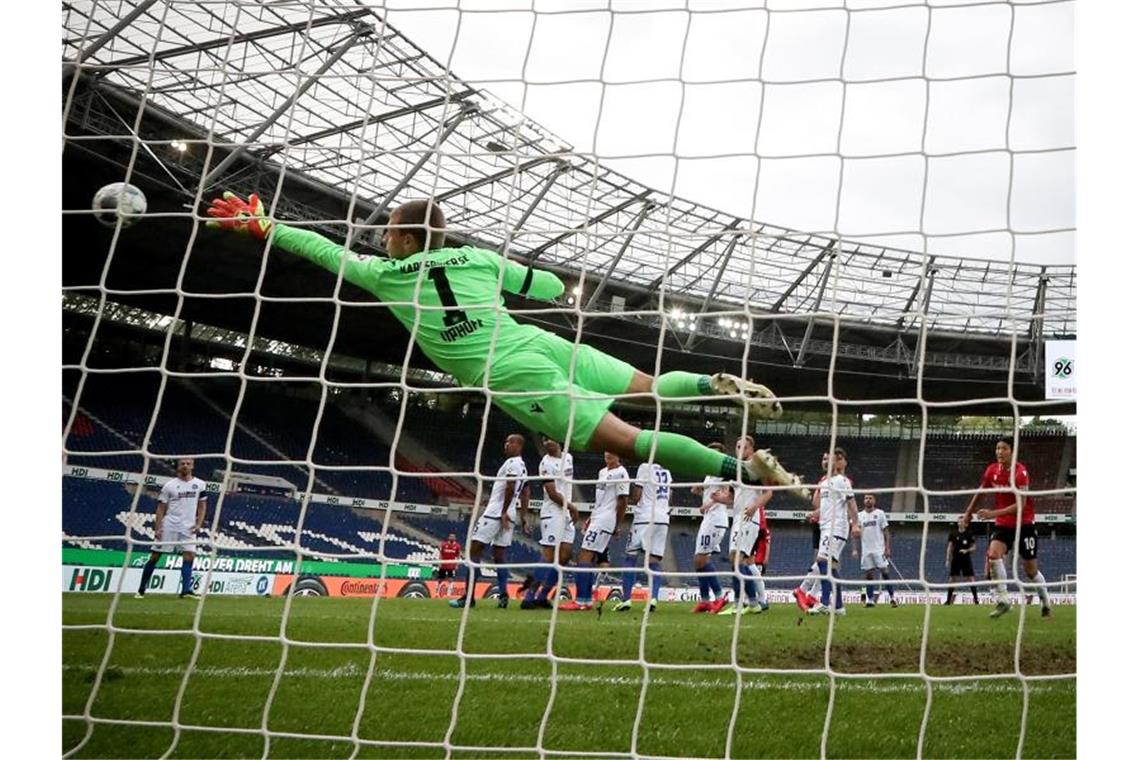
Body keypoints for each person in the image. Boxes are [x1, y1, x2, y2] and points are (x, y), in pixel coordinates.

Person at [205, 195, 808, 497]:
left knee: (625, 440)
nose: (382, 237)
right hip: (537, 339)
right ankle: (710, 385)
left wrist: (268, 226)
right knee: (649, 387)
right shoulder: (478, 257)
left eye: (390, 230)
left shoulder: (387, 275)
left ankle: (742, 470)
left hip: (512, 370)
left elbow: (325, 252)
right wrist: (517, 277)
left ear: (410, 237)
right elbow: (546, 286)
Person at [962, 436, 1052, 619]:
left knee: (1030, 571)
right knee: (993, 555)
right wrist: (968, 512)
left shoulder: (1021, 473)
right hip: (1003, 525)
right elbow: (981, 491)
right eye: (997, 448)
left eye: (1003, 448)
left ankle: (1046, 603)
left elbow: (1021, 504)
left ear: (1012, 451)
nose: (999, 452)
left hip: (1024, 524)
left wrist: (993, 513)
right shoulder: (992, 470)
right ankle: (1003, 601)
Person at [450, 434, 529, 609]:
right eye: (505, 441)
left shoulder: (513, 464)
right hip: (510, 514)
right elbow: (525, 491)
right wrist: (523, 516)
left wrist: (501, 511)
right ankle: (503, 595)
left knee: (473, 552)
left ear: (518, 445)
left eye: (509, 442)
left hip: (496, 514)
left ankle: (468, 597)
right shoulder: (523, 466)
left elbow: (510, 486)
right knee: (500, 556)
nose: (506, 444)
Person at [560, 452, 629, 611]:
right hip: (597, 518)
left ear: (619, 455)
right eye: (606, 451)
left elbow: (623, 501)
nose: (608, 454)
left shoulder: (621, 473)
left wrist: (616, 525)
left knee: (584, 556)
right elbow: (601, 500)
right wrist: (592, 517)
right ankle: (586, 600)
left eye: (613, 451)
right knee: (587, 558)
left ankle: (581, 600)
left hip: (606, 520)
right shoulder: (602, 472)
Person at [795, 448, 860, 616]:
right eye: (823, 459)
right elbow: (825, 507)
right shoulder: (824, 483)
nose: (825, 462)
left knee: (822, 560)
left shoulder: (841, 481)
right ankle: (838, 607)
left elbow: (851, 503)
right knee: (831, 566)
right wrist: (814, 514)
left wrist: (855, 524)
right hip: (825, 527)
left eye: (828, 459)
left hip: (837, 527)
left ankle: (824, 602)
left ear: (836, 462)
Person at [135, 458, 207, 599]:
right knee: (155, 556)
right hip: (170, 525)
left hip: (188, 527)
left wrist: (199, 523)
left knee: (189, 556)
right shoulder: (169, 486)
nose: (185, 466)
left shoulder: (200, 484)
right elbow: (161, 508)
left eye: (188, 464)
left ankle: (185, 591)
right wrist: (157, 528)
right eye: (182, 464)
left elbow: (202, 506)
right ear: (178, 467)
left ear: (192, 466)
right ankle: (141, 589)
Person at [522, 435, 577, 609]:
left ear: (559, 440)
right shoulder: (545, 463)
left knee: (565, 555)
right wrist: (572, 507)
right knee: (549, 555)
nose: (546, 443)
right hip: (553, 512)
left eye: (549, 439)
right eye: (544, 440)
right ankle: (529, 596)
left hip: (566, 514)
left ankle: (543, 596)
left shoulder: (569, 458)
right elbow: (552, 493)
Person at [717, 437, 771, 616]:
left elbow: (769, 493)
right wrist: (720, 499)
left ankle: (748, 602)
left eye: (744, 447)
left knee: (739, 560)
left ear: (751, 449)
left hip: (750, 518)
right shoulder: (736, 471)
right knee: (734, 560)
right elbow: (732, 498)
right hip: (738, 518)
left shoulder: (756, 469)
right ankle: (745, 602)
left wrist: (755, 506)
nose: (739, 449)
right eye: (737, 446)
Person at [614, 461, 672, 612]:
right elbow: (669, 495)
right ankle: (653, 598)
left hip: (645, 516)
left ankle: (626, 599)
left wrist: (629, 500)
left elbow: (637, 495)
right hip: (663, 518)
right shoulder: (667, 471)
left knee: (630, 557)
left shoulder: (644, 467)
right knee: (654, 561)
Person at [691, 443, 733, 613]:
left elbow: (726, 495)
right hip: (708, 519)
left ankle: (719, 596)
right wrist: (700, 491)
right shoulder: (709, 475)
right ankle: (705, 600)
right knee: (698, 560)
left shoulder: (723, 474)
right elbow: (709, 492)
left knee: (701, 559)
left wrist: (708, 503)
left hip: (716, 519)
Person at [856, 494, 896, 608]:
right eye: (866, 498)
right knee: (869, 575)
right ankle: (870, 600)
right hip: (866, 550)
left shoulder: (880, 513)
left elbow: (886, 532)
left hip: (879, 549)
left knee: (885, 572)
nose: (868, 500)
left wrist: (887, 548)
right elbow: (854, 533)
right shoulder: (860, 516)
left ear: (874, 500)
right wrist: (854, 549)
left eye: (870, 498)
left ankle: (892, 598)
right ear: (864, 501)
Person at [945, 516, 980, 605]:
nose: (959, 523)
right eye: (958, 521)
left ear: (965, 524)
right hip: (955, 559)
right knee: (952, 579)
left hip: (966, 559)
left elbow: (974, 547)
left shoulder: (969, 534)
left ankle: (976, 600)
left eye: (961, 521)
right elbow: (949, 547)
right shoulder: (953, 534)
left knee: (971, 578)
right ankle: (948, 601)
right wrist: (947, 559)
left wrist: (966, 550)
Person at [437, 532, 462, 597]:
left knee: (450, 579)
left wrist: (457, 564)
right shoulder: (444, 545)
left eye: (453, 537)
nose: (452, 538)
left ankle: (449, 593)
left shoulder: (457, 546)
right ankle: (437, 592)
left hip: (451, 565)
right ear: (448, 537)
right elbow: (441, 554)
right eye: (450, 536)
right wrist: (439, 562)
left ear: (455, 538)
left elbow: (458, 556)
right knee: (440, 579)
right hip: (443, 564)